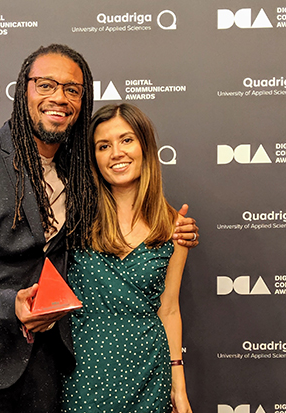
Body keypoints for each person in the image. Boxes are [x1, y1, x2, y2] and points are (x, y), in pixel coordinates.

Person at [0, 44, 199, 413]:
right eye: (45, 85)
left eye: (72, 90)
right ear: (23, 89)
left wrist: (174, 227)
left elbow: (131, 209)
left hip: (47, 378)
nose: (59, 98)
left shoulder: (78, 173)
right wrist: (8, 304)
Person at [61, 103, 193, 413]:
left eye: (127, 140)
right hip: (84, 372)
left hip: (149, 371)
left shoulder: (174, 226)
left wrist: (180, 388)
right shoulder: (74, 218)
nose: (116, 153)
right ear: (93, 158)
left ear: (145, 146)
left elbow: (170, 309)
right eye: (103, 146)